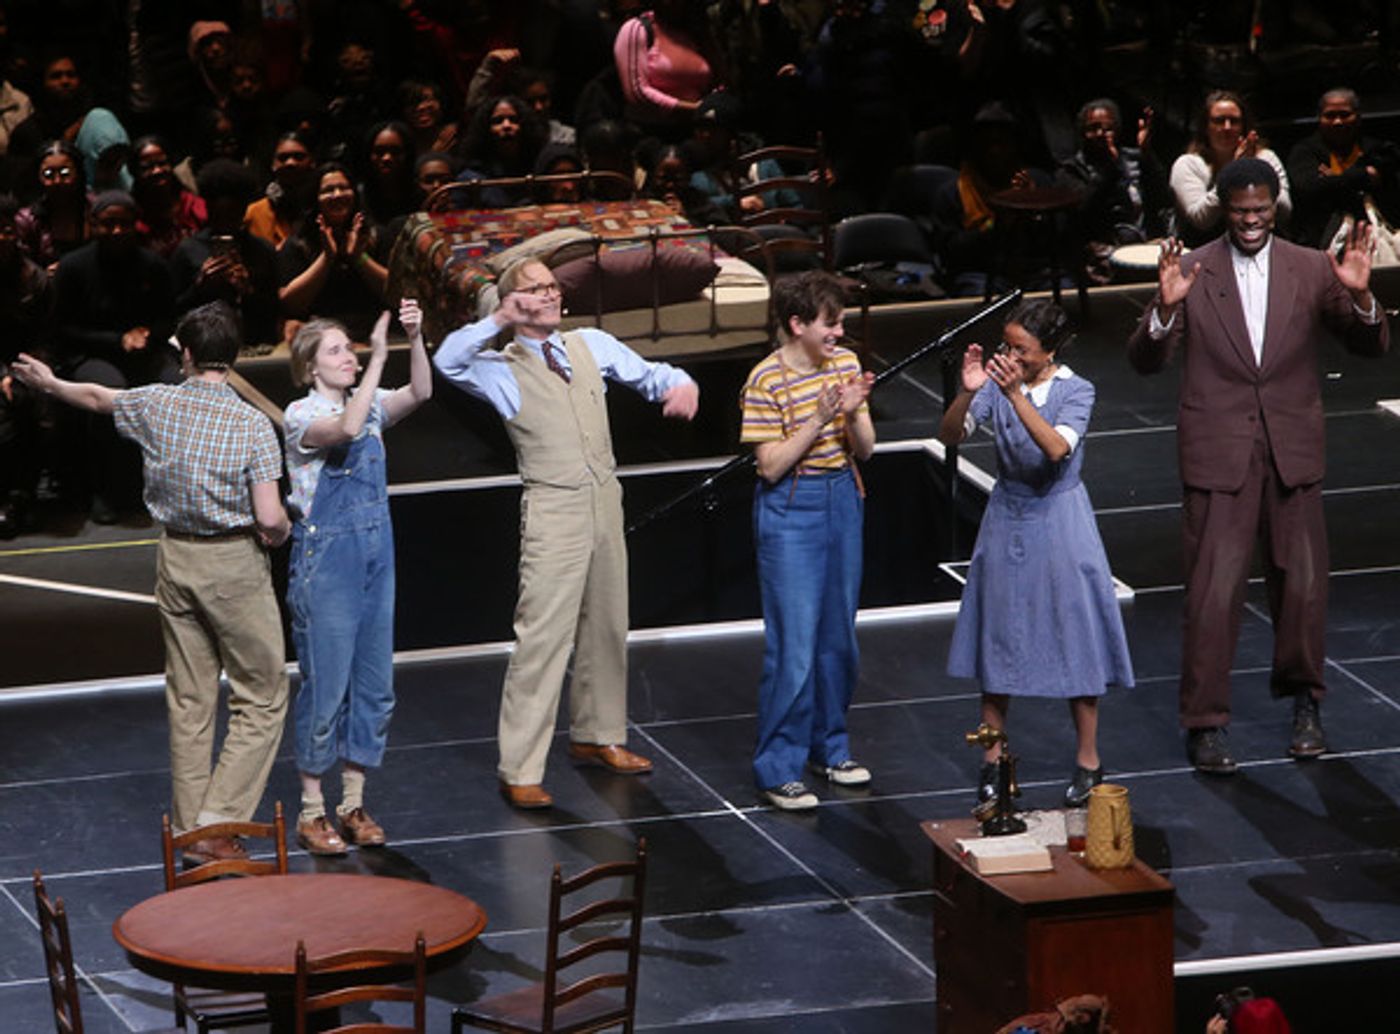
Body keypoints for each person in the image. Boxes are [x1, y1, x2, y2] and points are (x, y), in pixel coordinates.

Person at [1128, 157, 1388, 774]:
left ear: (1276, 209)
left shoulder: (1309, 267)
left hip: (1292, 450)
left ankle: (1305, 705)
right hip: (1219, 452)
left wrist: (1361, 295)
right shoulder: (1192, 269)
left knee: (1302, 588)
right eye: (1240, 212)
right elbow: (1143, 360)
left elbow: (1369, 344)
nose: (1250, 221)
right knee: (1212, 594)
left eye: (1260, 212)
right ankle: (1205, 723)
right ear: (1223, 207)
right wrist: (1164, 312)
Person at [13, 301, 291, 863]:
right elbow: (268, 518)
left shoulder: (157, 403)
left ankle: (193, 831)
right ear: (230, 357)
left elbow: (95, 397)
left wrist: (48, 383)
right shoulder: (251, 423)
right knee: (261, 696)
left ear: (185, 355)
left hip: (175, 560)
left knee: (190, 700)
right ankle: (217, 823)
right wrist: (283, 531)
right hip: (232, 564)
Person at [434, 257, 700, 809]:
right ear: (513, 302)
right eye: (535, 288)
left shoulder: (590, 345)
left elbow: (652, 375)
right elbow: (447, 360)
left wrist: (682, 383)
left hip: (603, 498)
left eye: (552, 285)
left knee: (607, 622)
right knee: (544, 636)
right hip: (553, 506)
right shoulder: (498, 366)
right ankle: (519, 766)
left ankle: (598, 735)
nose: (550, 294)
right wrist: (498, 320)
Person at [940, 299, 1133, 807]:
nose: (1011, 355)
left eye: (1021, 349)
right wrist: (968, 391)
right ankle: (992, 760)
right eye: (1007, 345)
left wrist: (1014, 393)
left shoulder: (1076, 390)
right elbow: (951, 434)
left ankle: (1089, 762)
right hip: (1007, 518)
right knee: (999, 639)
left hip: (1059, 521)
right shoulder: (1000, 385)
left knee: (1075, 636)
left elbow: (1054, 448)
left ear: (1049, 352)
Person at [283, 299, 431, 854]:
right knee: (326, 687)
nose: (349, 357)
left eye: (351, 348)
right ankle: (311, 810)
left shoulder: (369, 408)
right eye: (338, 351)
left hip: (376, 553)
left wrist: (414, 339)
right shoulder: (301, 416)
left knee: (375, 685)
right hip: (328, 562)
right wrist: (375, 361)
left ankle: (352, 803)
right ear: (310, 367)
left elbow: (420, 393)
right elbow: (345, 426)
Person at [739, 270, 875, 810]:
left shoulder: (844, 364)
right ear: (797, 324)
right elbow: (769, 466)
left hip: (842, 495)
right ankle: (778, 765)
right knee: (794, 646)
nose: (838, 334)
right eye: (830, 324)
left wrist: (855, 411)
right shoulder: (765, 381)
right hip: (792, 505)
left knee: (838, 637)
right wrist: (821, 416)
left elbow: (865, 449)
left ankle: (829, 747)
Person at [1055, 99, 1171, 284]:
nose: (1101, 134)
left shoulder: (1135, 160)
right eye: (1093, 128)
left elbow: (1164, 198)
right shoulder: (1070, 170)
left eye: (1107, 128)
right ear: (1082, 133)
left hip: (1144, 247)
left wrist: (1147, 154)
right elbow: (1081, 211)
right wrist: (1109, 170)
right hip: (1100, 259)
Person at [1169, 91, 1291, 247]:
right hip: (1204, 250)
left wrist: (1255, 170)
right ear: (1206, 127)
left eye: (1234, 121)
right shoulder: (1188, 164)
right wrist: (1234, 172)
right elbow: (1201, 219)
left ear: (1244, 126)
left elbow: (1285, 211)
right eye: (1219, 121)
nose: (1227, 127)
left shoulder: (1266, 158)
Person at [1286, 87, 1400, 250]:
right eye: (1330, 116)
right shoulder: (1305, 151)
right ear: (1319, 118)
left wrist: (1334, 180)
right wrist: (1363, 176)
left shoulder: (1378, 150)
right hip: (1322, 239)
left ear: (1358, 117)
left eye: (1345, 115)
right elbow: (1307, 188)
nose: (1337, 122)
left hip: (1379, 233)